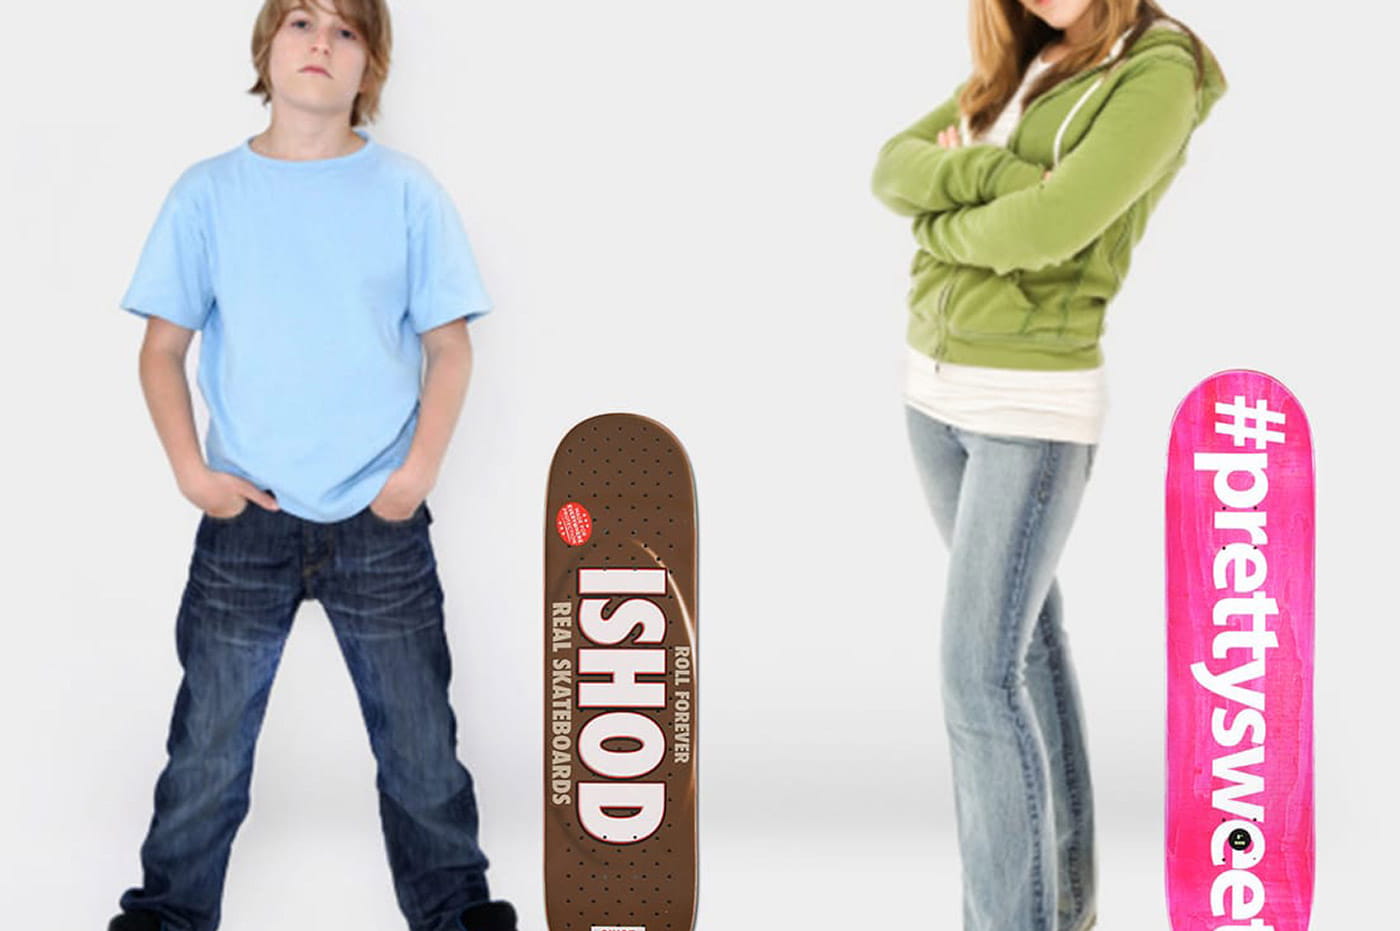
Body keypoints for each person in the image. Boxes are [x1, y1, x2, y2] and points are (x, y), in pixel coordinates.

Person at [108, 2, 516, 929]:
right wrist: (192, 474)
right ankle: (167, 914)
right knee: (207, 750)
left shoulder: (406, 191)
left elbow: (449, 349)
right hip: (244, 518)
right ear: (266, 48)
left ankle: (457, 912)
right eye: (300, 21)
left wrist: (411, 476)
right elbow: (160, 350)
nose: (321, 42)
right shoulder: (207, 193)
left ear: (370, 63)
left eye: (345, 29)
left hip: (379, 522)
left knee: (421, 749)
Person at [871, 1, 1225, 929]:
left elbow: (1051, 228)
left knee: (973, 675)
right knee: (1024, 645)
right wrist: (993, 171)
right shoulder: (1026, 61)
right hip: (934, 393)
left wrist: (945, 219)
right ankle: (1063, 909)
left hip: (1030, 402)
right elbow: (892, 168)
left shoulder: (1160, 65)